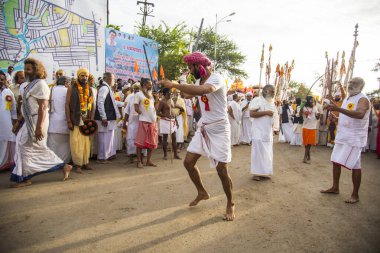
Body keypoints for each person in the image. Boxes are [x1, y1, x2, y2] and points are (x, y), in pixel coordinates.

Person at [159, 51, 235, 221]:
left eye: (190, 67)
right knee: (188, 163)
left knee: (221, 170)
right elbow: (189, 94)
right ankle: (202, 192)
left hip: (220, 129)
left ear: (198, 66)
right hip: (204, 128)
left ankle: (230, 203)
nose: (189, 70)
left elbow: (203, 91)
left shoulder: (216, 78)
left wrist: (174, 84)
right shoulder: (199, 80)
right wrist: (176, 90)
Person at [10, 58, 72, 186]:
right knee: (25, 147)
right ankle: (26, 176)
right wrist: (18, 122)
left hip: (37, 121)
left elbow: (43, 107)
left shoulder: (41, 85)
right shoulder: (26, 85)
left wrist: (38, 128)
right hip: (28, 120)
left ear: (36, 70)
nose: (26, 72)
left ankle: (25, 177)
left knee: (25, 146)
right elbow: (25, 107)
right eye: (25, 69)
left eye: (28, 69)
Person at [321, 77, 370, 204]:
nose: (350, 84)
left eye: (353, 83)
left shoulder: (363, 98)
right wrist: (336, 118)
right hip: (343, 136)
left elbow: (360, 114)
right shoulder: (348, 98)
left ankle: (355, 195)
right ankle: (335, 187)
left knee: (355, 165)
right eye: (350, 82)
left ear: (360, 85)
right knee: (335, 161)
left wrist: (338, 109)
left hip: (354, 138)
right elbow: (346, 116)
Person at [65, 68, 95, 173]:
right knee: (76, 143)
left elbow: (92, 105)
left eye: (86, 76)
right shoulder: (71, 88)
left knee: (86, 143)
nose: (84, 78)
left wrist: (91, 119)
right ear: (78, 76)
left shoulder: (90, 89)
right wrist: (68, 120)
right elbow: (67, 105)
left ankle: (85, 162)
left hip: (86, 119)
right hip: (75, 119)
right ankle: (78, 164)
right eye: (82, 75)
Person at [249, 85, 279, 181]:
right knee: (258, 153)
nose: (273, 93)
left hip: (267, 132)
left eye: (274, 91)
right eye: (272, 91)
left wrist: (274, 128)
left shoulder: (272, 103)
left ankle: (264, 172)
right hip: (258, 131)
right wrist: (265, 113)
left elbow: (274, 117)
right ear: (265, 91)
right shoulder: (257, 100)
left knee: (266, 153)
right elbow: (252, 114)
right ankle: (256, 173)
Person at [94, 72, 120, 163]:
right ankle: (101, 157)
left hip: (109, 117)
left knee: (109, 137)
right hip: (105, 118)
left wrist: (124, 104)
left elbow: (112, 102)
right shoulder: (104, 88)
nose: (114, 81)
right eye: (113, 79)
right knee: (104, 138)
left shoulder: (108, 88)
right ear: (109, 79)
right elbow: (100, 103)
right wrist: (103, 117)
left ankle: (108, 155)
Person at [134, 78, 158, 168]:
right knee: (140, 143)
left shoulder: (151, 95)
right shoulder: (138, 94)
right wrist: (143, 115)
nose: (151, 85)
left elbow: (156, 108)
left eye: (151, 84)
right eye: (149, 84)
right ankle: (139, 161)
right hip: (144, 121)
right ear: (144, 84)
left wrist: (157, 99)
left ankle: (149, 161)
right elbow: (136, 108)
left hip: (153, 122)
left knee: (152, 142)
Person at [47, 76, 71, 163]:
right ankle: (63, 163)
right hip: (64, 122)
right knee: (65, 146)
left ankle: (53, 163)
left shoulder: (51, 90)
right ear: (66, 83)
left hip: (52, 123)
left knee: (52, 146)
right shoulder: (67, 90)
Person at [157, 88, 181, 160]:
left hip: (172, 120)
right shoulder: (162, 102)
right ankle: (165, 155)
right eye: (169, 93)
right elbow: (157, 113)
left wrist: (176, 121)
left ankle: (175, 154)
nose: (171, 94)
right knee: (165, 137)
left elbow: (173, 112)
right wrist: (165, 115)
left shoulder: (172, 101)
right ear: (165, 93)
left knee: (174, 137)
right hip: (165, 121)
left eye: (171, 93)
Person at [0, 71, 17, 170]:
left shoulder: (8, 92)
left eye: (2, 79)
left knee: (8, 141)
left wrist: (15, 123)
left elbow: (13, 109)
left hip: (6, 122)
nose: (0, 81)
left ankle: (6, 163)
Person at [123, 83, 143, 163]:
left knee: (141, 141)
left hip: (141, 123)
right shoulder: (131, 99)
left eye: (137, 88)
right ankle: (131, 158)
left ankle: (140, 159)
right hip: (131, 123)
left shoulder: (143, 99)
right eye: (134, 89)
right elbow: (127, 112)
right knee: (130, 140)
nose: (135, 90)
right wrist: (125, 122)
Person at [301, 96, 320, 163]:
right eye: (311, 100)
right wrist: (301, 106)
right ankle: (305, 158)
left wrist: (318, 115)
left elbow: (317, 117)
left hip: (313, 127)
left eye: (313, 100)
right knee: (307, 144)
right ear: (308, 101)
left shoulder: (315, 108)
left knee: (309, 144)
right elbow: (300, 114)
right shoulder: (304, 107)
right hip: (306, 127)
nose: (313, 102)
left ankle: (307, 157)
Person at [327, 83, 346, 147]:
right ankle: (331, 144)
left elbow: (344, 95)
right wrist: (329, 88)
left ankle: (336, 144)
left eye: (338, 96)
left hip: (338, 120)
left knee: (337, 133)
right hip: (331, 120)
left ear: (340, 97)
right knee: (331, 132)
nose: (337, 97)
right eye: (336, 96)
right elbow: (329, 96)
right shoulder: (333, 101)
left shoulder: (343, 102)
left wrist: (341, 87)